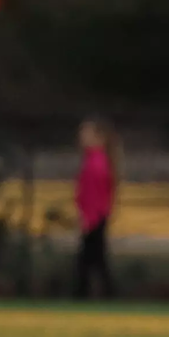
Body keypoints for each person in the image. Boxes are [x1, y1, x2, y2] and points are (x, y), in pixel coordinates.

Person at [73, 116, 120, 299]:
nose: (81, 138)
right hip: (96, 216)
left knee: (90, 260)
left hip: (94, 217)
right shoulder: (95, 161)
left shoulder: (96, 163)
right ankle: (100, 293)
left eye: (86, 134)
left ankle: (84, 294)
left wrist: (88, 217)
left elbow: (94, 195)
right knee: (94, 260)